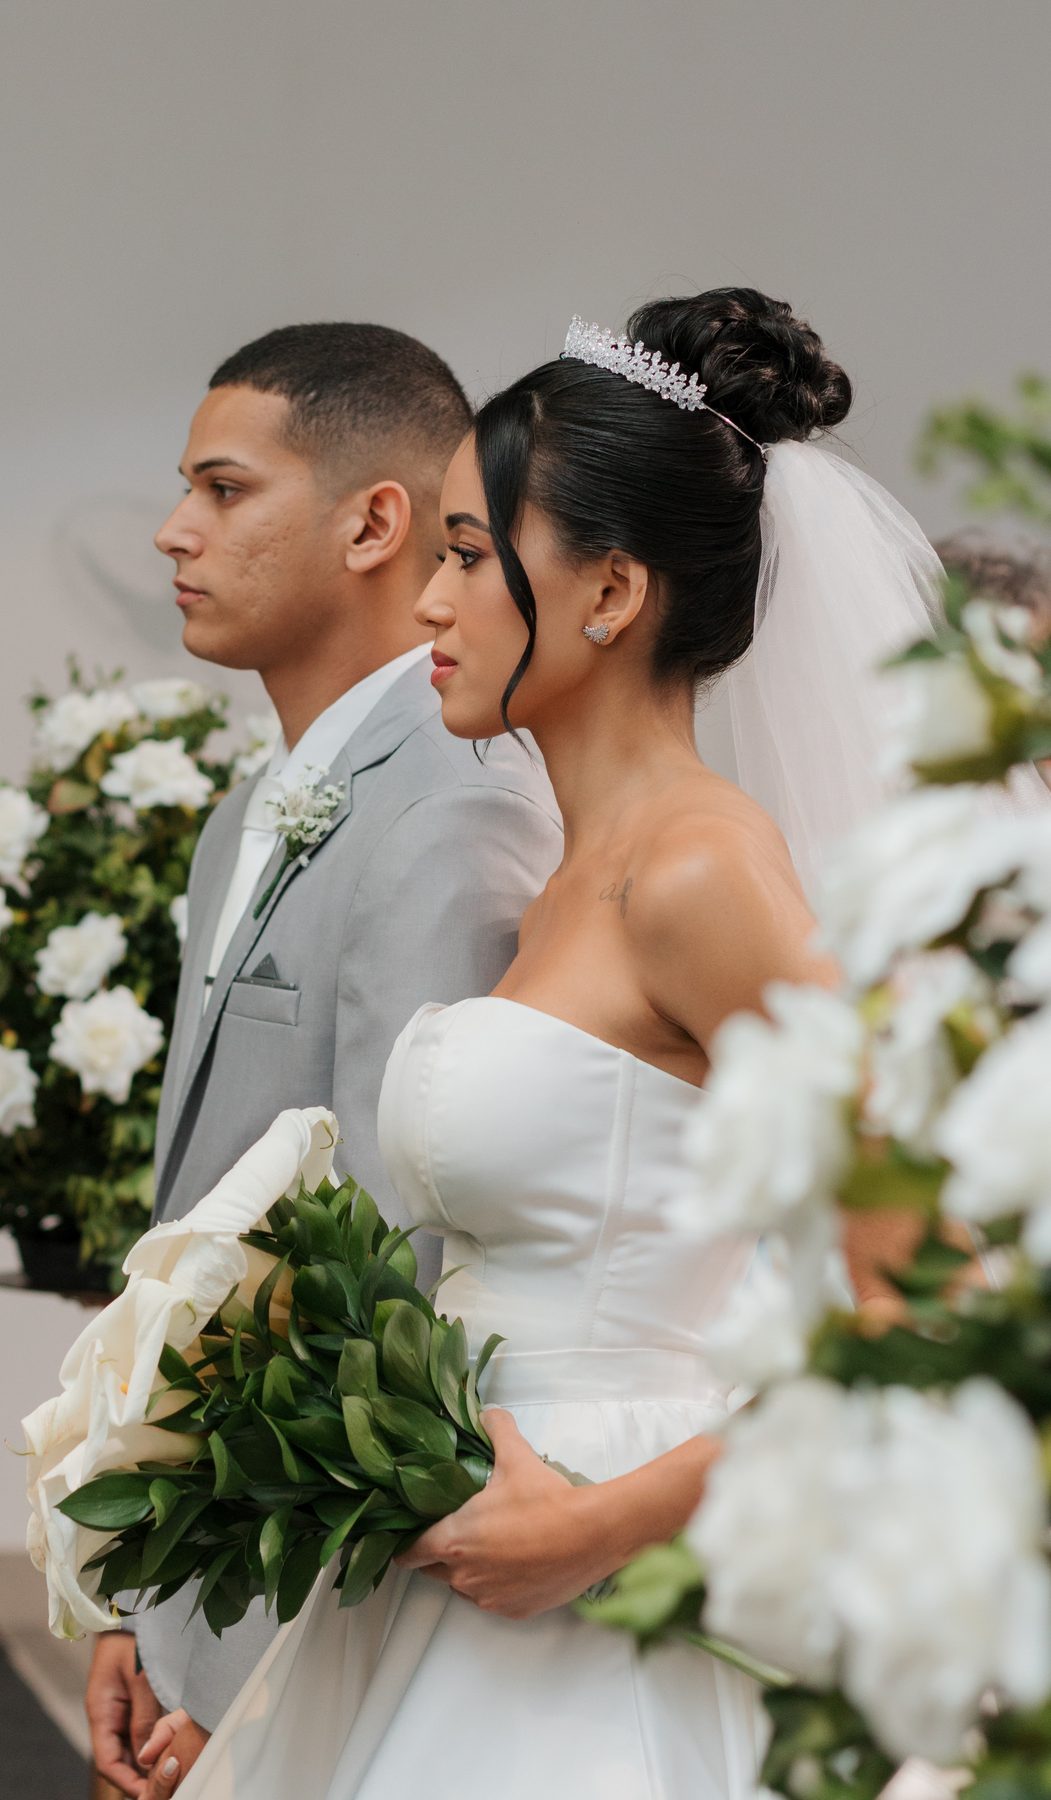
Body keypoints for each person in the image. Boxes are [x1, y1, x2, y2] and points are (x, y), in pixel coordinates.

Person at [168, 288, 940, 1800]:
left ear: (611, 592)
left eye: (468, 555)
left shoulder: (702, 874)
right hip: (472, 1554)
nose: (431, 606)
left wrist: (603, 1522)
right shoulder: (571, 876)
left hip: (603, 1573)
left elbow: (921, 1302)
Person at [84, 322, 563, 1798]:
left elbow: (400, 1278)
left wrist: (242, 1677)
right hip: (201, 1570)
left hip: (310, 1613)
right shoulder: (251, 813)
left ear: (373, 524)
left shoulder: (453, 808)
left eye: (224, 489)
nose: (174, 530)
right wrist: (134, 1592)